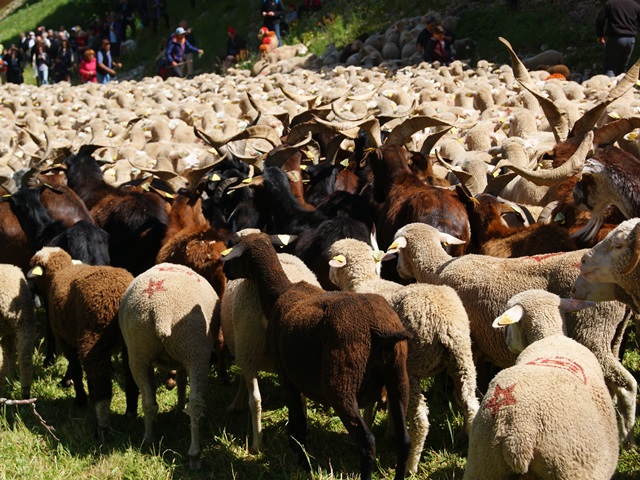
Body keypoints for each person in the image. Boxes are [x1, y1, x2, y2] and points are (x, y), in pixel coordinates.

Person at [596, 0, 640, 77]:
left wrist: (600, 35)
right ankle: (622, 87)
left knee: (610, 68)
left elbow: (600, 20)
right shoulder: (635, 5)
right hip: (630, 39)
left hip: (615, 38)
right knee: (623, 68)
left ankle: (610, 87)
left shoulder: (611, 3)